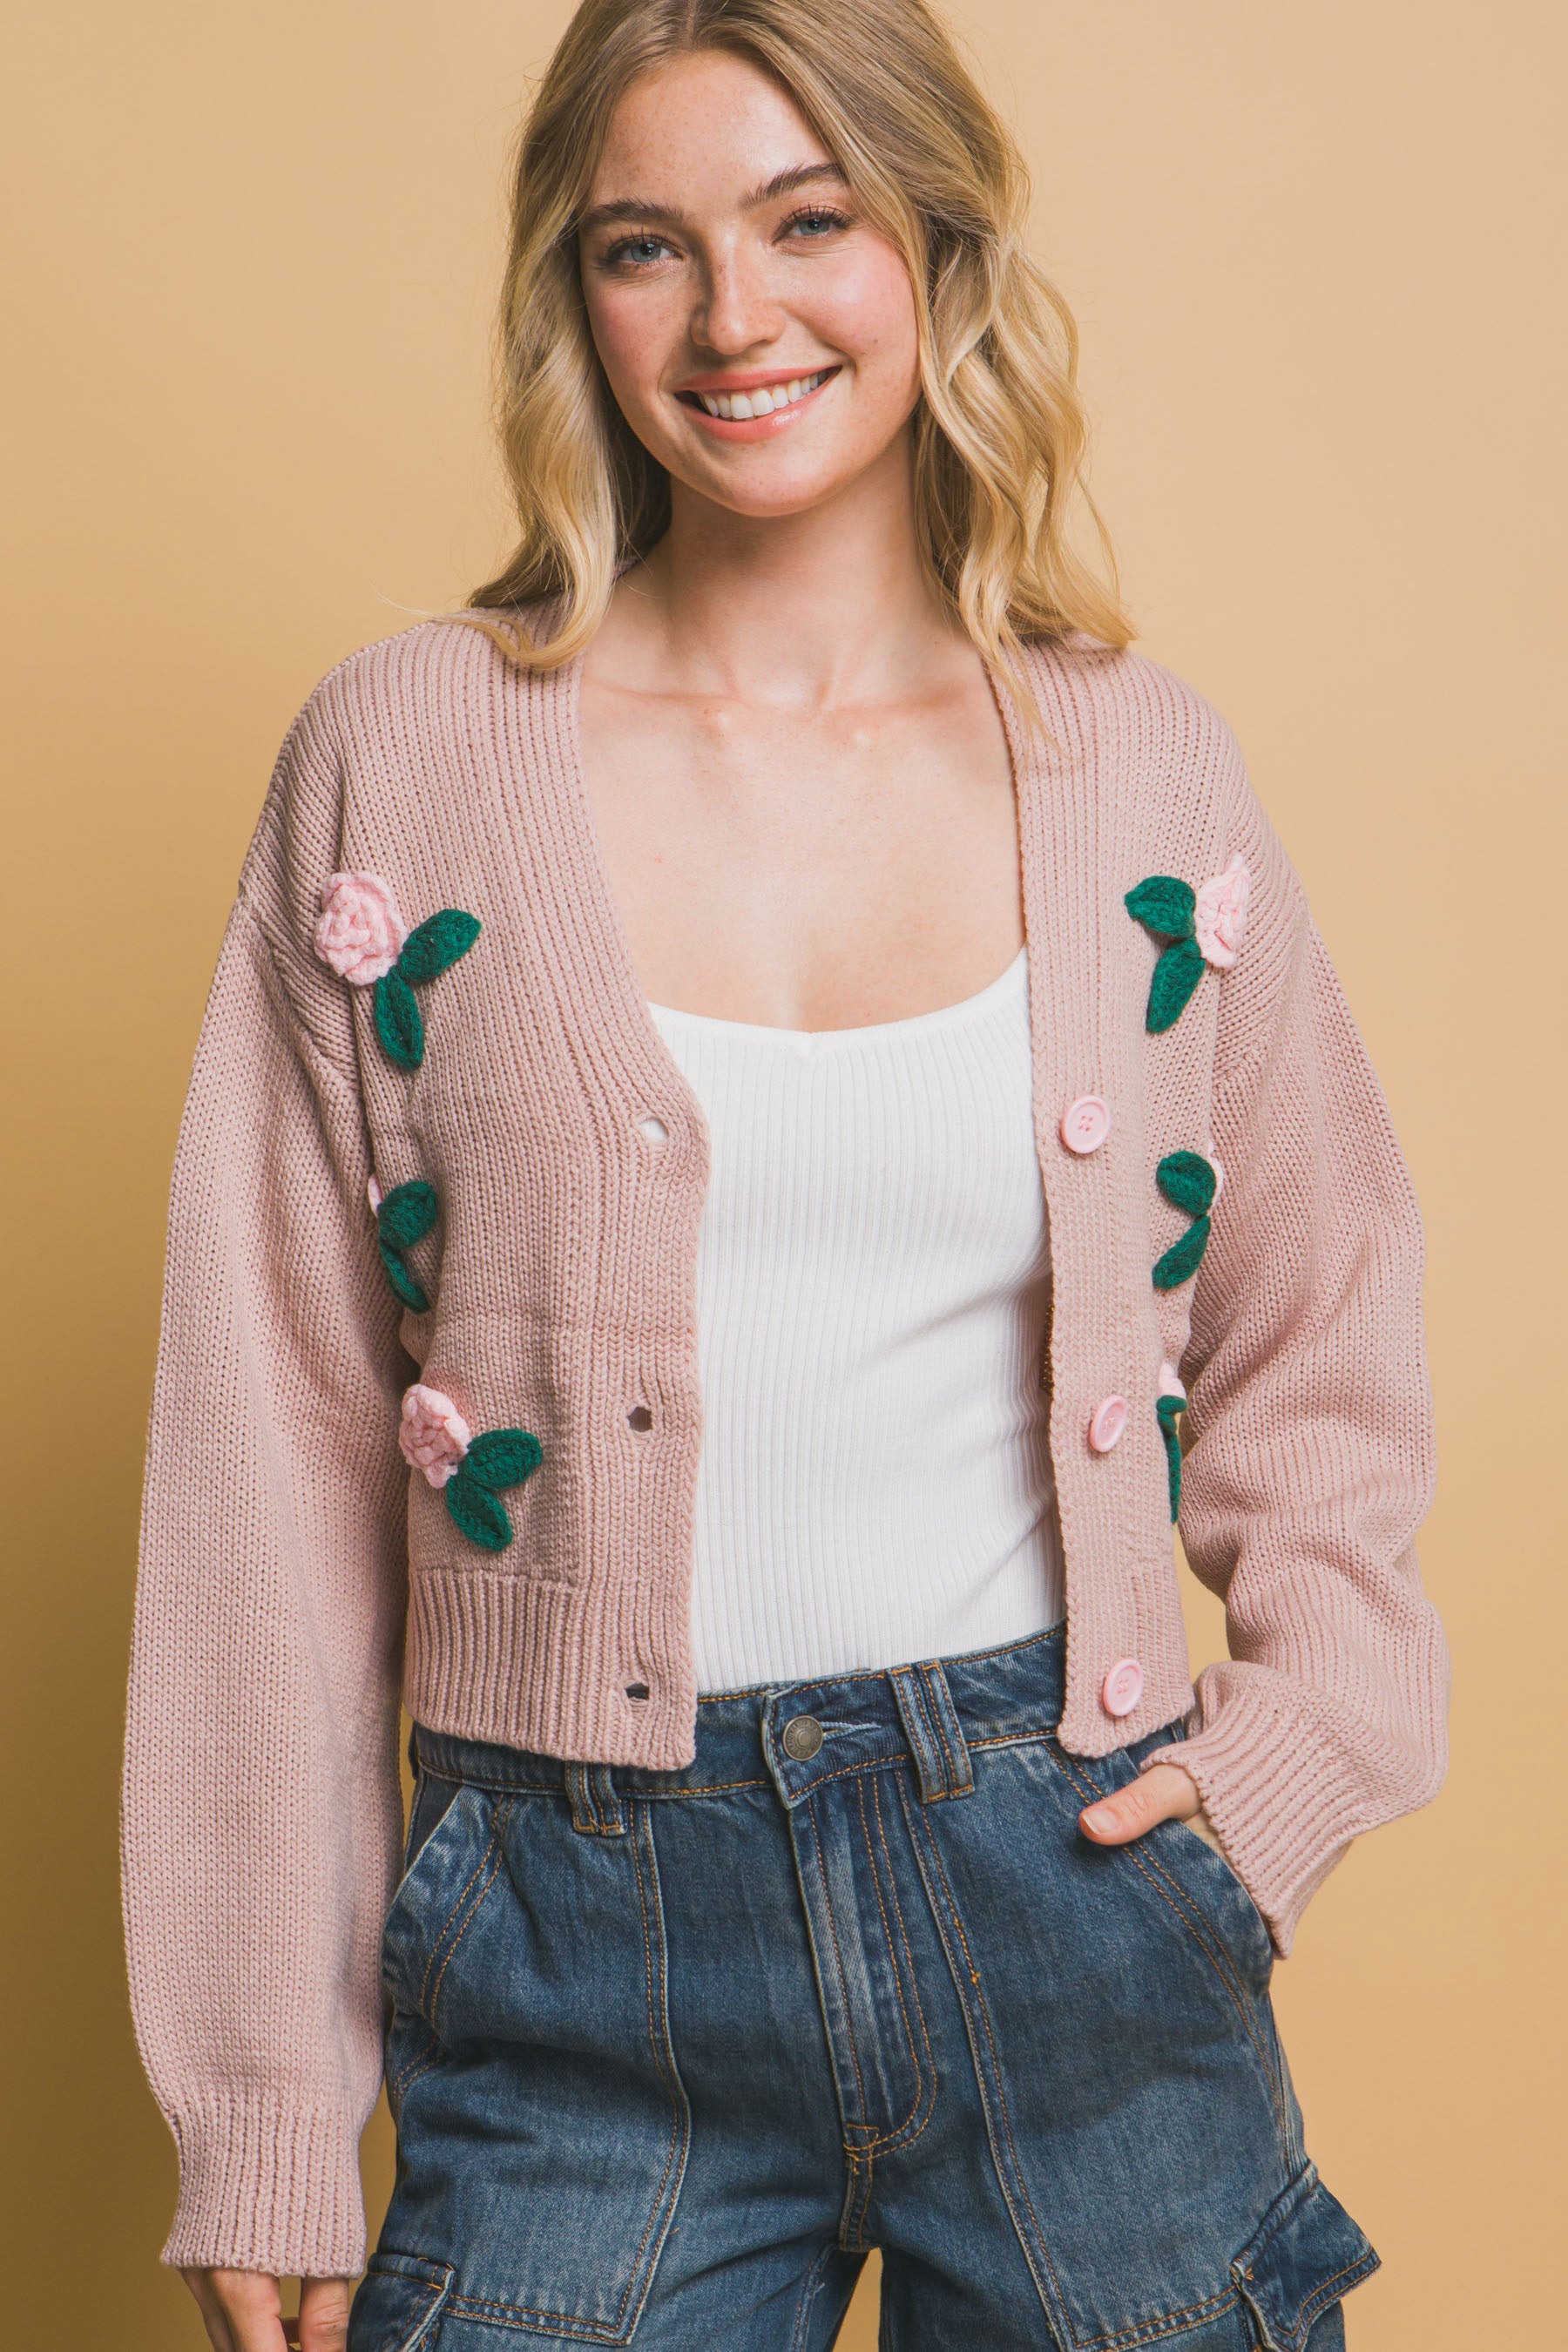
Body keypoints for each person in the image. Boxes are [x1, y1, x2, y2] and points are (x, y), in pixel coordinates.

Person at [121, 3, 1449, 2347]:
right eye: (647, 245)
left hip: (1080, 1899)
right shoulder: (405, 761)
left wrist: (1306, 1742)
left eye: (808, 221)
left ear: (935, 247)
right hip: (570, 1954)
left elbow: (1320, 1308)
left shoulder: (1138, 769)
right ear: (575, 294)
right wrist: (261, 2102)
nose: (735, 317)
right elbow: (275, 1444)